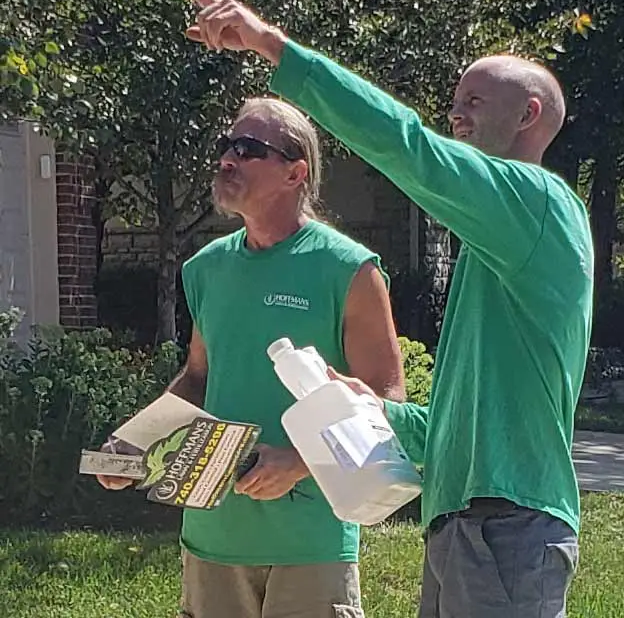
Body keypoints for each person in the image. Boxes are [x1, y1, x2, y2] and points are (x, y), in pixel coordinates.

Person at [175, 0, 594, 618]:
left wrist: (273, 47)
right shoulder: (497, 252)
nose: (455, 117)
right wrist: (373, 409)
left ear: (529, 114)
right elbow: (456, 431)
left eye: (473, 102)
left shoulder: (539, 206)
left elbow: (408, 146)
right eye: (454, 103)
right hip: (466, 527)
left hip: (506, 528)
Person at [97, 96, 405, 618]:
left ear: (295, 172)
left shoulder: (349, 269)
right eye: (225, 146)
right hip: (212, 534)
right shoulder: (206, 269)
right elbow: (199, 376)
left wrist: (302, 463)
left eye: (247, 148)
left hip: (310, 541)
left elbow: (386, 399)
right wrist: (134, 440)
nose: (226, 159)